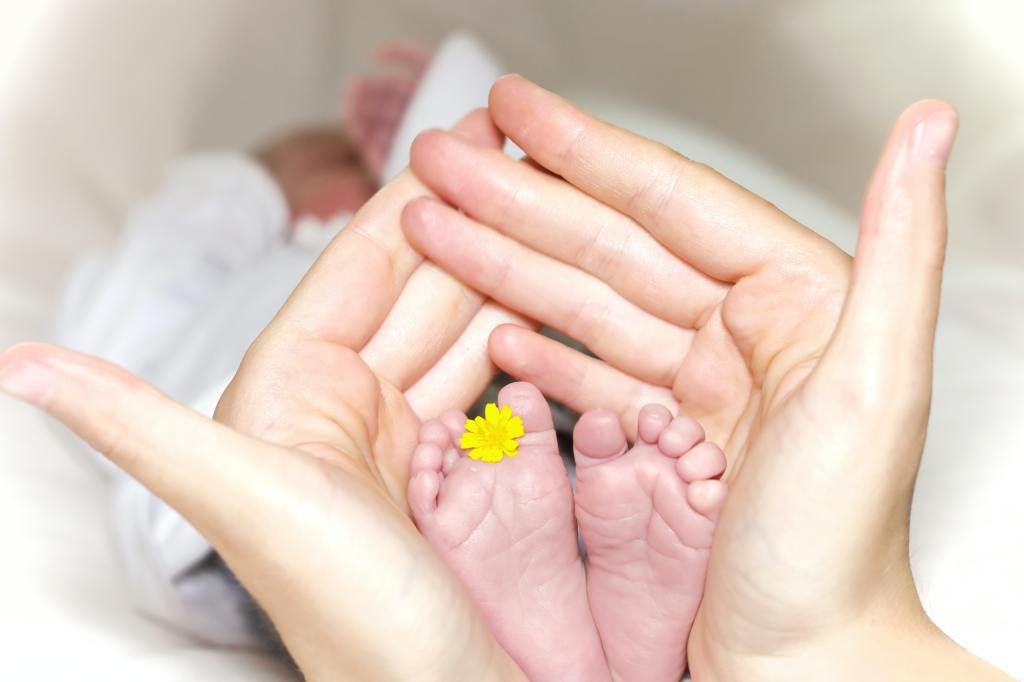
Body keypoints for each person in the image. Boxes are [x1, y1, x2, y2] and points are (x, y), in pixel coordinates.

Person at [0, 75, 1013, 681]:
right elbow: (137, 279)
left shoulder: (438, 278)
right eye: (336, 166)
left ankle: (571, 612)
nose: (360, 178)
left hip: (437, 433)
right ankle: (588, 604)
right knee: (486, 462)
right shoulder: (226, 255)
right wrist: (248, 181)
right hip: (266, 443)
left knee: (542, 445)